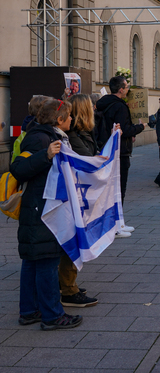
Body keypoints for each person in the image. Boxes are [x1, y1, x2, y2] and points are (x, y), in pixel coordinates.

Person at [10, 98, 83, 330]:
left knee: (33, 261)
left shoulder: (50, 136)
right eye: (69, 115)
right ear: (59, 119)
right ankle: (52, 316)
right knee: (46, 262)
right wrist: (46, 155)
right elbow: (18, 169)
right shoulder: (40, 138)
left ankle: (29, 311)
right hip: (42, 211)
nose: (72, 119)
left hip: (41, 209)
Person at [60, 94, 102, 308]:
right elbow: (85, 161)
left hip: (77, 195)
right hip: (73, 196)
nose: (95, 108)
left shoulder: (81, 132)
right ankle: (68, 289)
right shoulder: (73, 134)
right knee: (72, 238)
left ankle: (68, 284)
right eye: (92, 106)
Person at [96, 76, 147, 203]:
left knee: (107, 188)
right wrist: (140, 127)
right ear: (120, 90)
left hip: (105, 149)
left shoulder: (102, 103)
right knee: (119, 189)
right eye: (126, 87)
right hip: (120, 151)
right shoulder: (120, 107)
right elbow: (124, 130)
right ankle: (117, 219)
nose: (128, 89)